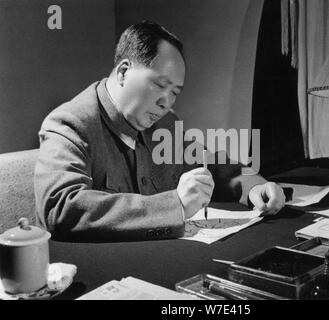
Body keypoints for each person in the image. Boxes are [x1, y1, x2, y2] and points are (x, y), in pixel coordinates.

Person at [34, 21, 285, 242]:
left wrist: (253, 186)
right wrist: (174, 205)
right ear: (123, 72)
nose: (167, 102)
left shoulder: (163, 124)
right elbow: (61, 208)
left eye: (175, 92)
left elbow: (208, 165)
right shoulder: (69, 124)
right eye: (159, 85)